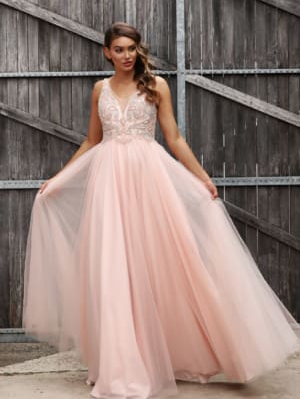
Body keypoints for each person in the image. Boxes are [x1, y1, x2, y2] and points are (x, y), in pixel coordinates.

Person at [22, 22, 299, 399]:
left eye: (131, 48)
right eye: (118, 49)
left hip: (148, 183)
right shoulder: (99, 89)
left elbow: (175, 139)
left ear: (138, 50)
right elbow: (91, 140)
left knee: (158, 267)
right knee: (113, 269)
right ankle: (119, 364)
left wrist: (202, 177)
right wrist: (57, 180)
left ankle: (181, 350)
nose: (126, 55)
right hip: (109, 186)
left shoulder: (156, 86)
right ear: (107, 52)